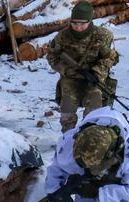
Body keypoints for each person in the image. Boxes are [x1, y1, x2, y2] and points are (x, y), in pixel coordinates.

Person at [47, 0, 120, 132]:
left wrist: (97, 72)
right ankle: (67, 136)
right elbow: (52, 56)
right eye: (74, 23)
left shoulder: (103, 36)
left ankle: (87, 134)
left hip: (94, 78)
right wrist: (67, 70)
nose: (78, 27)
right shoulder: (62, 36)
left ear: (90, 21)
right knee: (67, 107)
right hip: (71, 77)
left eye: (82, 24)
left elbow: (110, 58)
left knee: (94, 105)